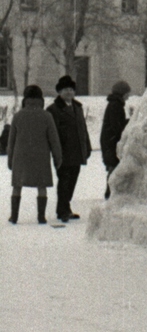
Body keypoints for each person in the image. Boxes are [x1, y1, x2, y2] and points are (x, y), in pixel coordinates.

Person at [6, 85, 62, 224]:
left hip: (20, 157)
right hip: (41, 157)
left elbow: (11, 141)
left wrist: (10, 159)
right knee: (41, 185)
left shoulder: (18, 116)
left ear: (25, 99)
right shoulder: (47, 116)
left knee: (17, 185)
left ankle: (14, 216)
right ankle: (41, 216)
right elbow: (54, 140)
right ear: (40, 99)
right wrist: (58, 158)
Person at [46, 75, 92, 222]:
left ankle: (65, 208)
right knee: (64, 181)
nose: (69, 92)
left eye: (71, 89)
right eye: (66, 89)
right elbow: (51, 132)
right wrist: (55, 150)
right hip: (63, 152)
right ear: (59, 92)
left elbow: (83, 129)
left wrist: (87, 146)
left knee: (72, 181)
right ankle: (62, 210)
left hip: (77, 151)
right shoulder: (53, 109)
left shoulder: (78, 107)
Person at [100, 80, 131, 199]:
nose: (128, 96)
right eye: (127, 93)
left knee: (113, 166)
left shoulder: (115, 104)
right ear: (122, 93)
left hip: (109, 141)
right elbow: (117, 126)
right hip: (111, 142)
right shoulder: (115, 106)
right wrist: (129, 123)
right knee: (113, 166)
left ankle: (110, 193)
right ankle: (110, 194)